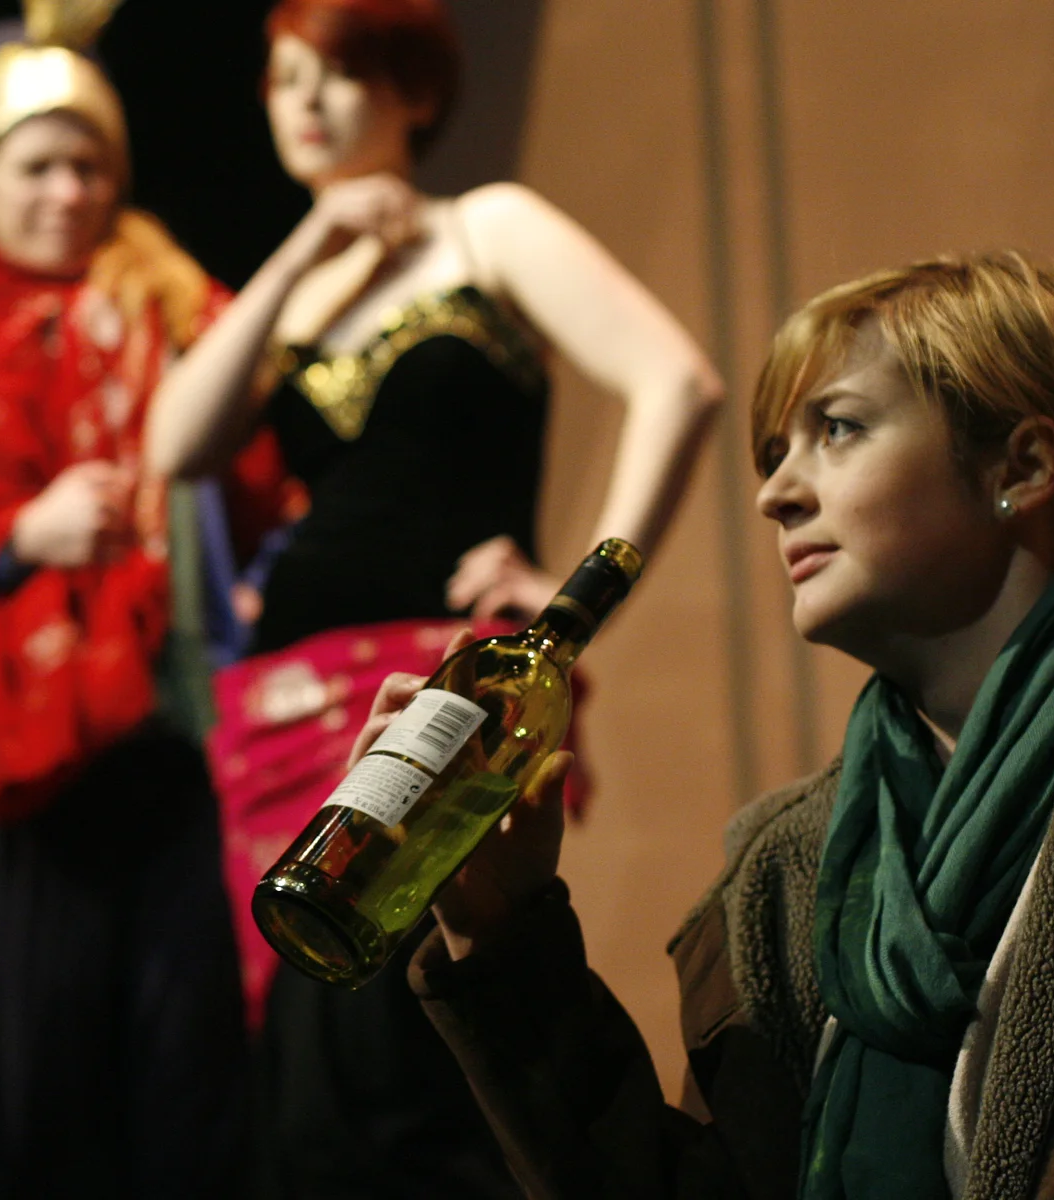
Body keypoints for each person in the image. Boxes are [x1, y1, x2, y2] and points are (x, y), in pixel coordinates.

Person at [358, 250, 1054, 1198]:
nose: (775, 493)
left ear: (1021, 466)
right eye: (775, 453)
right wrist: (502, 936)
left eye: (839, 429)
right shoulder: (789, 874)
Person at [141, 0, 721, 1194]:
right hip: (281, 714)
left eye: (340, 72)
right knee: (308, 1082)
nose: (305, 101)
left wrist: (576, 597)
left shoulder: (484, 228)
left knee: (409, 1048)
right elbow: (175, 443)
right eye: (283, 78)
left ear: (412, 90)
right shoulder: (292, 296)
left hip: (435, 689)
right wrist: (306, 247)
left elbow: (678, 382)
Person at [0, 3, 289, 1195]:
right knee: (25, 1094)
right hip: (30, 767)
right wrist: (16, 536)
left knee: (187, 1087)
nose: (69, 192)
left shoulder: (180, 305)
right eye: (37, 167)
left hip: (176, 745)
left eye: (90, 166)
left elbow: (264, 495)